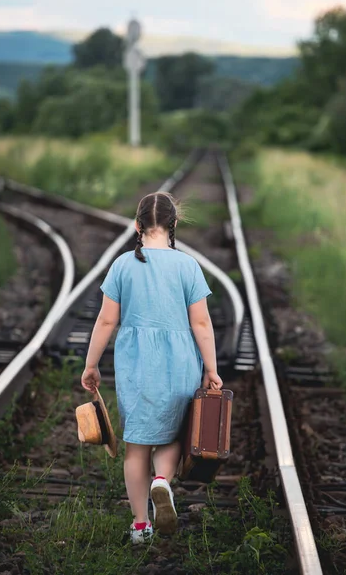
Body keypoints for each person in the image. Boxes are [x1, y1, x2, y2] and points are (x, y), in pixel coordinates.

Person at [81, 192, 223, 544]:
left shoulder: (122, 265)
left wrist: (91, 363)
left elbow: (105, 320)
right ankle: (162, 481)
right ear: (174, 225)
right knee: (174, 435)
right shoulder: (187, 266)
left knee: (137, 445)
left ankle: (141, 525)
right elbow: (202, 324)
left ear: (137, 225)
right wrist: (211, 369)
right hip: (179, 363)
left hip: (137, 366)